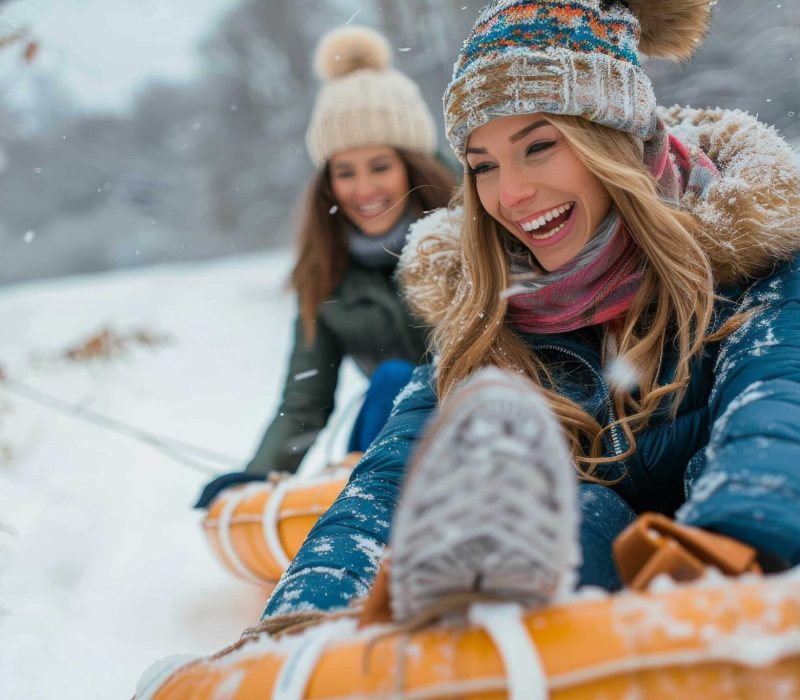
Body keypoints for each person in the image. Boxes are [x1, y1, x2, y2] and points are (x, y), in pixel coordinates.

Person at [260, 0, 800, 624]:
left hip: (735, 573)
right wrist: (301, 614)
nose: (509, 195)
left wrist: (731, 546)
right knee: (577, 508)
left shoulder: (755, 261)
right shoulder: (494, 308)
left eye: (538, 146)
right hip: (583, 586)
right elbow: (391, 478)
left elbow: (777, 402)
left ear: (614, 138)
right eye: (483, 166)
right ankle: (481, 605)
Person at [195, 26, 455, 508]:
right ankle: (369, 515)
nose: (364, 190)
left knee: (409, 380)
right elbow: (305, 400)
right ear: (327, 181)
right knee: (394, 381)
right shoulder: (327, 270)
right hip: (387, 435)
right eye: (345, 172)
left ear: (414, 167)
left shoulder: (472, 230)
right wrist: (257, 479)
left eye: (380, 167)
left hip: (483, 425)